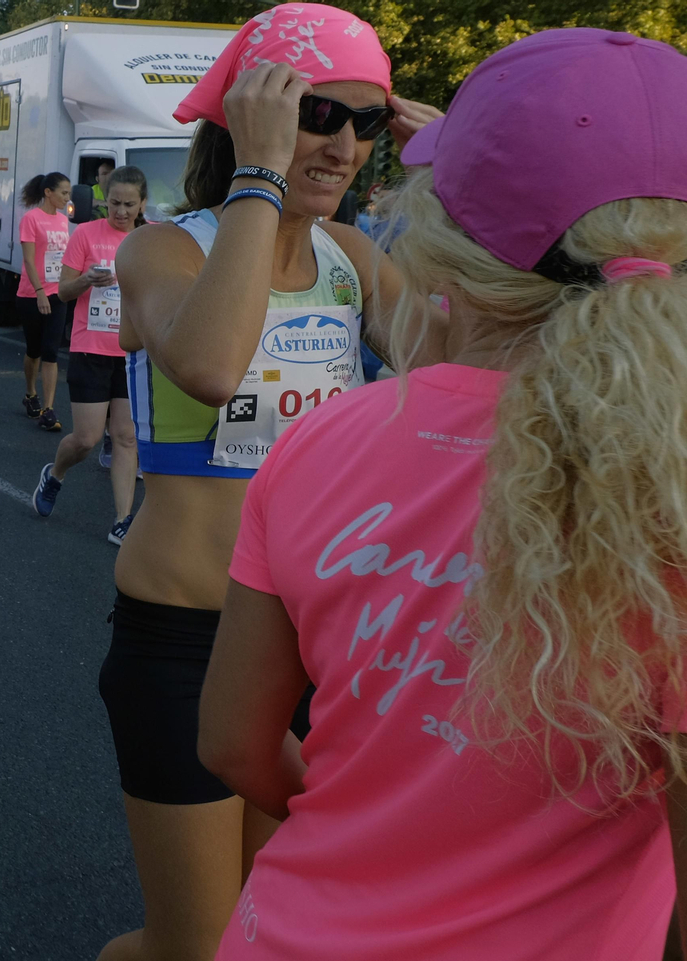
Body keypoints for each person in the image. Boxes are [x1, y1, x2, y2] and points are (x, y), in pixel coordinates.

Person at [199, 27, 687, 961]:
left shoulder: (321, 441)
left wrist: (377, 844)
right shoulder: (671, 488)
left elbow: (231, 742)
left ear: (445, 238)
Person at [95, 6, 441, 958]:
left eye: (365, 124)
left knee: (276, 932)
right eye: (314, 114)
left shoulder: (353, 260)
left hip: (316, 642)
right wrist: (260, 175)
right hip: (186, 642)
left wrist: (461, 179)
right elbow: (211, 366)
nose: (342, 146)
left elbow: (473, 366)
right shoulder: (163, 249)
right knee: (195, 944)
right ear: (252, 116)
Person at [30, 165, 144, 542]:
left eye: (129, 204)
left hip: (131, 353)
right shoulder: (85, 234)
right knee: (86, 439)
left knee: (126, 437)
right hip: (90, 349)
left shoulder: (149, 240)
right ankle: (55, 474)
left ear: (142, 204)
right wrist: (86, 280)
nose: (121, 212)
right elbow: (63, 292)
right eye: (114, 203)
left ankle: (122, 520)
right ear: (104, 200)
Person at [16, 172, 72, 424]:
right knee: (34, 350)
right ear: (48, 193)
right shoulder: (31, 219)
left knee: (51, 351)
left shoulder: (63, 221)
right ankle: (30, 393)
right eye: (64, 193)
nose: (67, 198)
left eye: (69, 193)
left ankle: (48, 409)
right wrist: (39, 292)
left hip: (57, 293)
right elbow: (29, 260)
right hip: (32, 294)